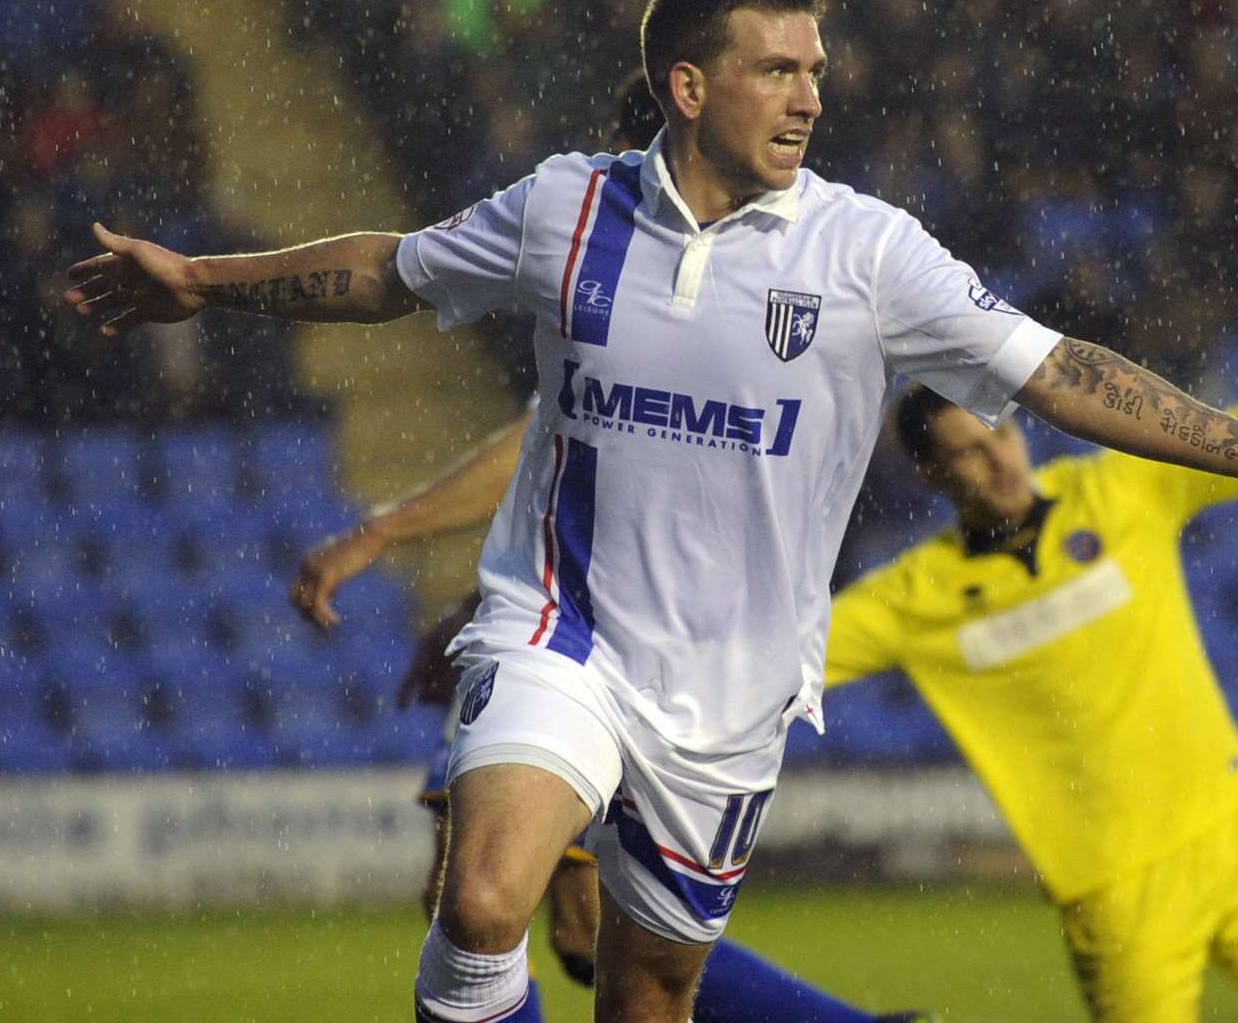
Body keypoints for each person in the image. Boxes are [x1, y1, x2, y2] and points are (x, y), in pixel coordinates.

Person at [64, 0, 1238, 1023]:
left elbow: (1057, 364)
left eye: (816, 70)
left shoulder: (868, 251)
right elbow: (391, 269)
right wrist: (203, 281)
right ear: (688, 86)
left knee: (653, 989)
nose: (810, 94)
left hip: (730, 692)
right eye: (776, 69)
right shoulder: (565, 210)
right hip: (564, 627)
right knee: (487, 896)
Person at [294, 259, 1238, 1023]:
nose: (997, 458)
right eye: (964, 451)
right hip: (1119, 893)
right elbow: (748, 636)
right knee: (587, 930)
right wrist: (547, 609)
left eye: (999, 436)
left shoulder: (1125, 502)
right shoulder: (912, 597)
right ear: (932, 472)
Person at [300, 68, 934, 1023]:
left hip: (659, 640)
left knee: (567, 926)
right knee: (507, 910)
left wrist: (387, 535)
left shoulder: (742, 269)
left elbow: (561, 448)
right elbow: (549, 439)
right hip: (567, 629)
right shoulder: (625, 261)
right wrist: (398, 542)